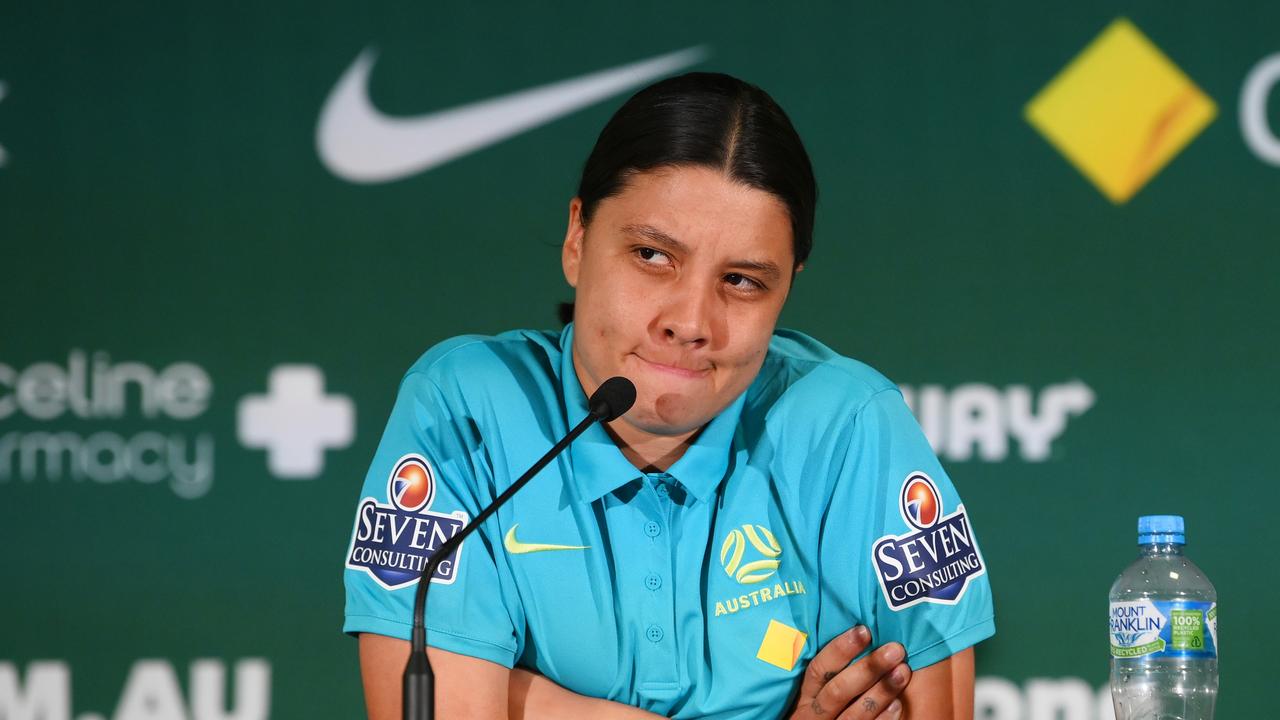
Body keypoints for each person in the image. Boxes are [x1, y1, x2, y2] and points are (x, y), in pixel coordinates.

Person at [344, 72, 995, 719]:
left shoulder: (849, 426)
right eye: (653, 256)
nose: (691, 321)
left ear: (789, 286)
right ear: (577, 239)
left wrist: (531, 700)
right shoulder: (466, 409)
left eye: (741, 280)